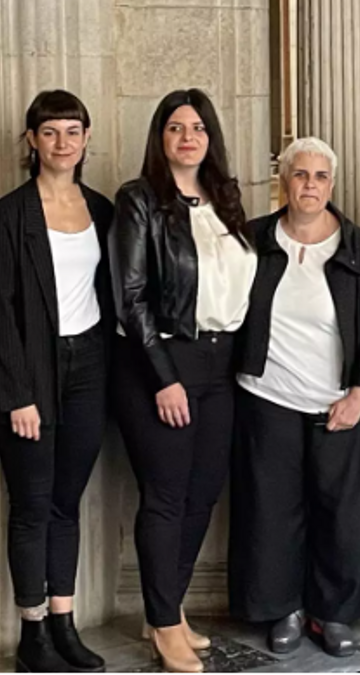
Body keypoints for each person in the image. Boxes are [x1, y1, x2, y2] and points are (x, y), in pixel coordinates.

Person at [110, 88, 257, 673]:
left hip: (218, 367)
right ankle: (165, 625)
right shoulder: (139, 200)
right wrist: (164, 379)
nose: (188, 137)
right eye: (175, 127)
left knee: (202, 494)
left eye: (197, 127)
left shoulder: (225, 199)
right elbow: (131, 297)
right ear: (160, 137)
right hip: (159, 364)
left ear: (210, 137)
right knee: (167, 496)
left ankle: (163, 609)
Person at [229, 137, 360, 658]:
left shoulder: (357, 247)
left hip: (338, 402)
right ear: (284, 180)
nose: (310, 186)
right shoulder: (255, 240)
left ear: (332, 184)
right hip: (267, 395)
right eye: (301, 175)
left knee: (341, 513)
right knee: (272, 512)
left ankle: (333, 612)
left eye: (320, 177)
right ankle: (283, 609)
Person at [0, 90, 113, 673]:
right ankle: (33, 632)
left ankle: (66, 624)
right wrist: (17, 393)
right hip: (32, 372)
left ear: (86, 138)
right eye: (49, 133)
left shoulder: (101, 208)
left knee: (67, 502)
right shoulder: (9, 214)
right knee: (32, 505)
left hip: (89, 367)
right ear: (31, 141)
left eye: (72, 131)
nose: (62, 142)